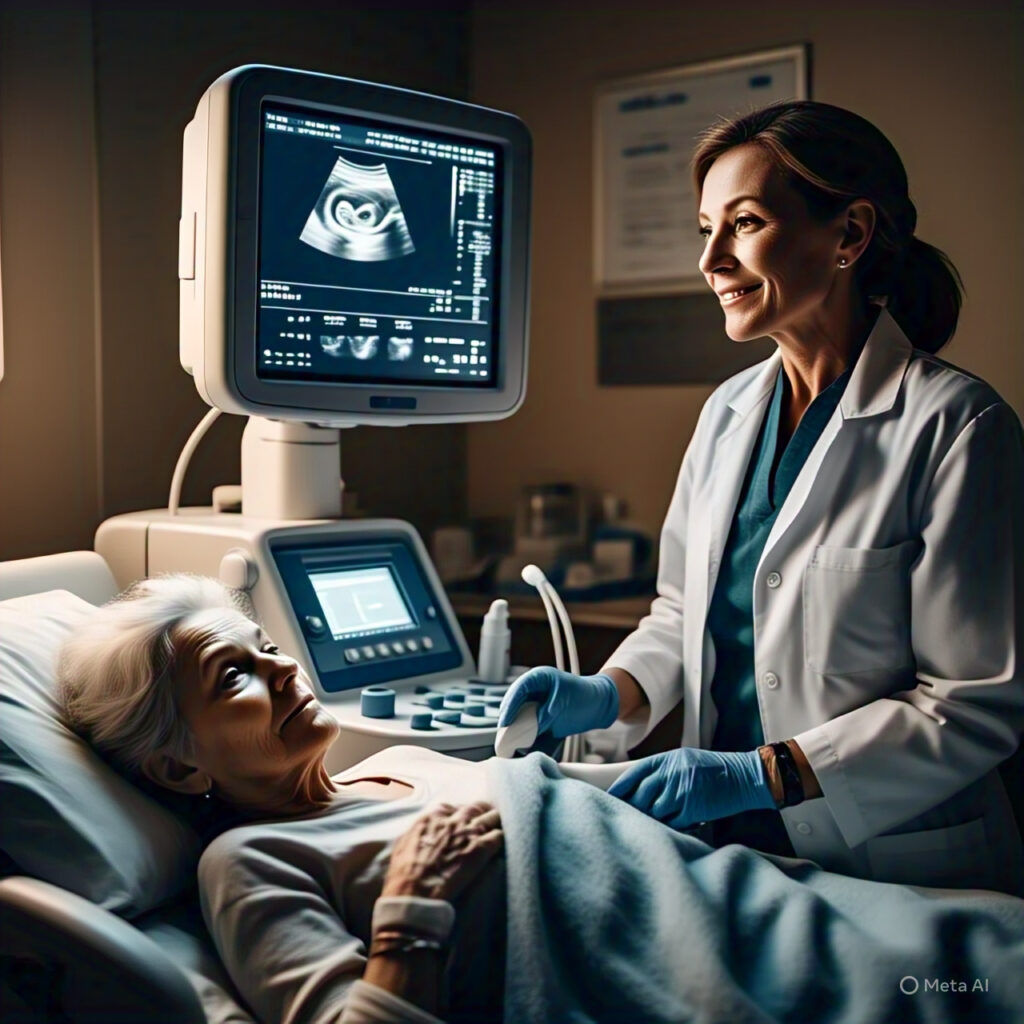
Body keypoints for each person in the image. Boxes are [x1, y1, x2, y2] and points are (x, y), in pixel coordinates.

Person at [55, 574, 1024, 1024]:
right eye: (233, 675)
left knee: (978, 950)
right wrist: (410, 912)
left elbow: (602, 817)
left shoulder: (404, 761)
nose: (280, 668)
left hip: (765, 905)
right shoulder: (252, 864)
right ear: (178, 770)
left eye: (266, 646)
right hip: (686, 976)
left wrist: (634, 739)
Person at [497, 99, 1024, 894]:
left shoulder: (958, 426)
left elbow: (970, 706)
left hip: (895, 865)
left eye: (743, 224)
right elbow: (683, 614)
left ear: (850, 235)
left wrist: (761, 774)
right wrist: (609, 693)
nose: (711, 259)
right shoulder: (727, 413)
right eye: (705, 229)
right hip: (736, 850)